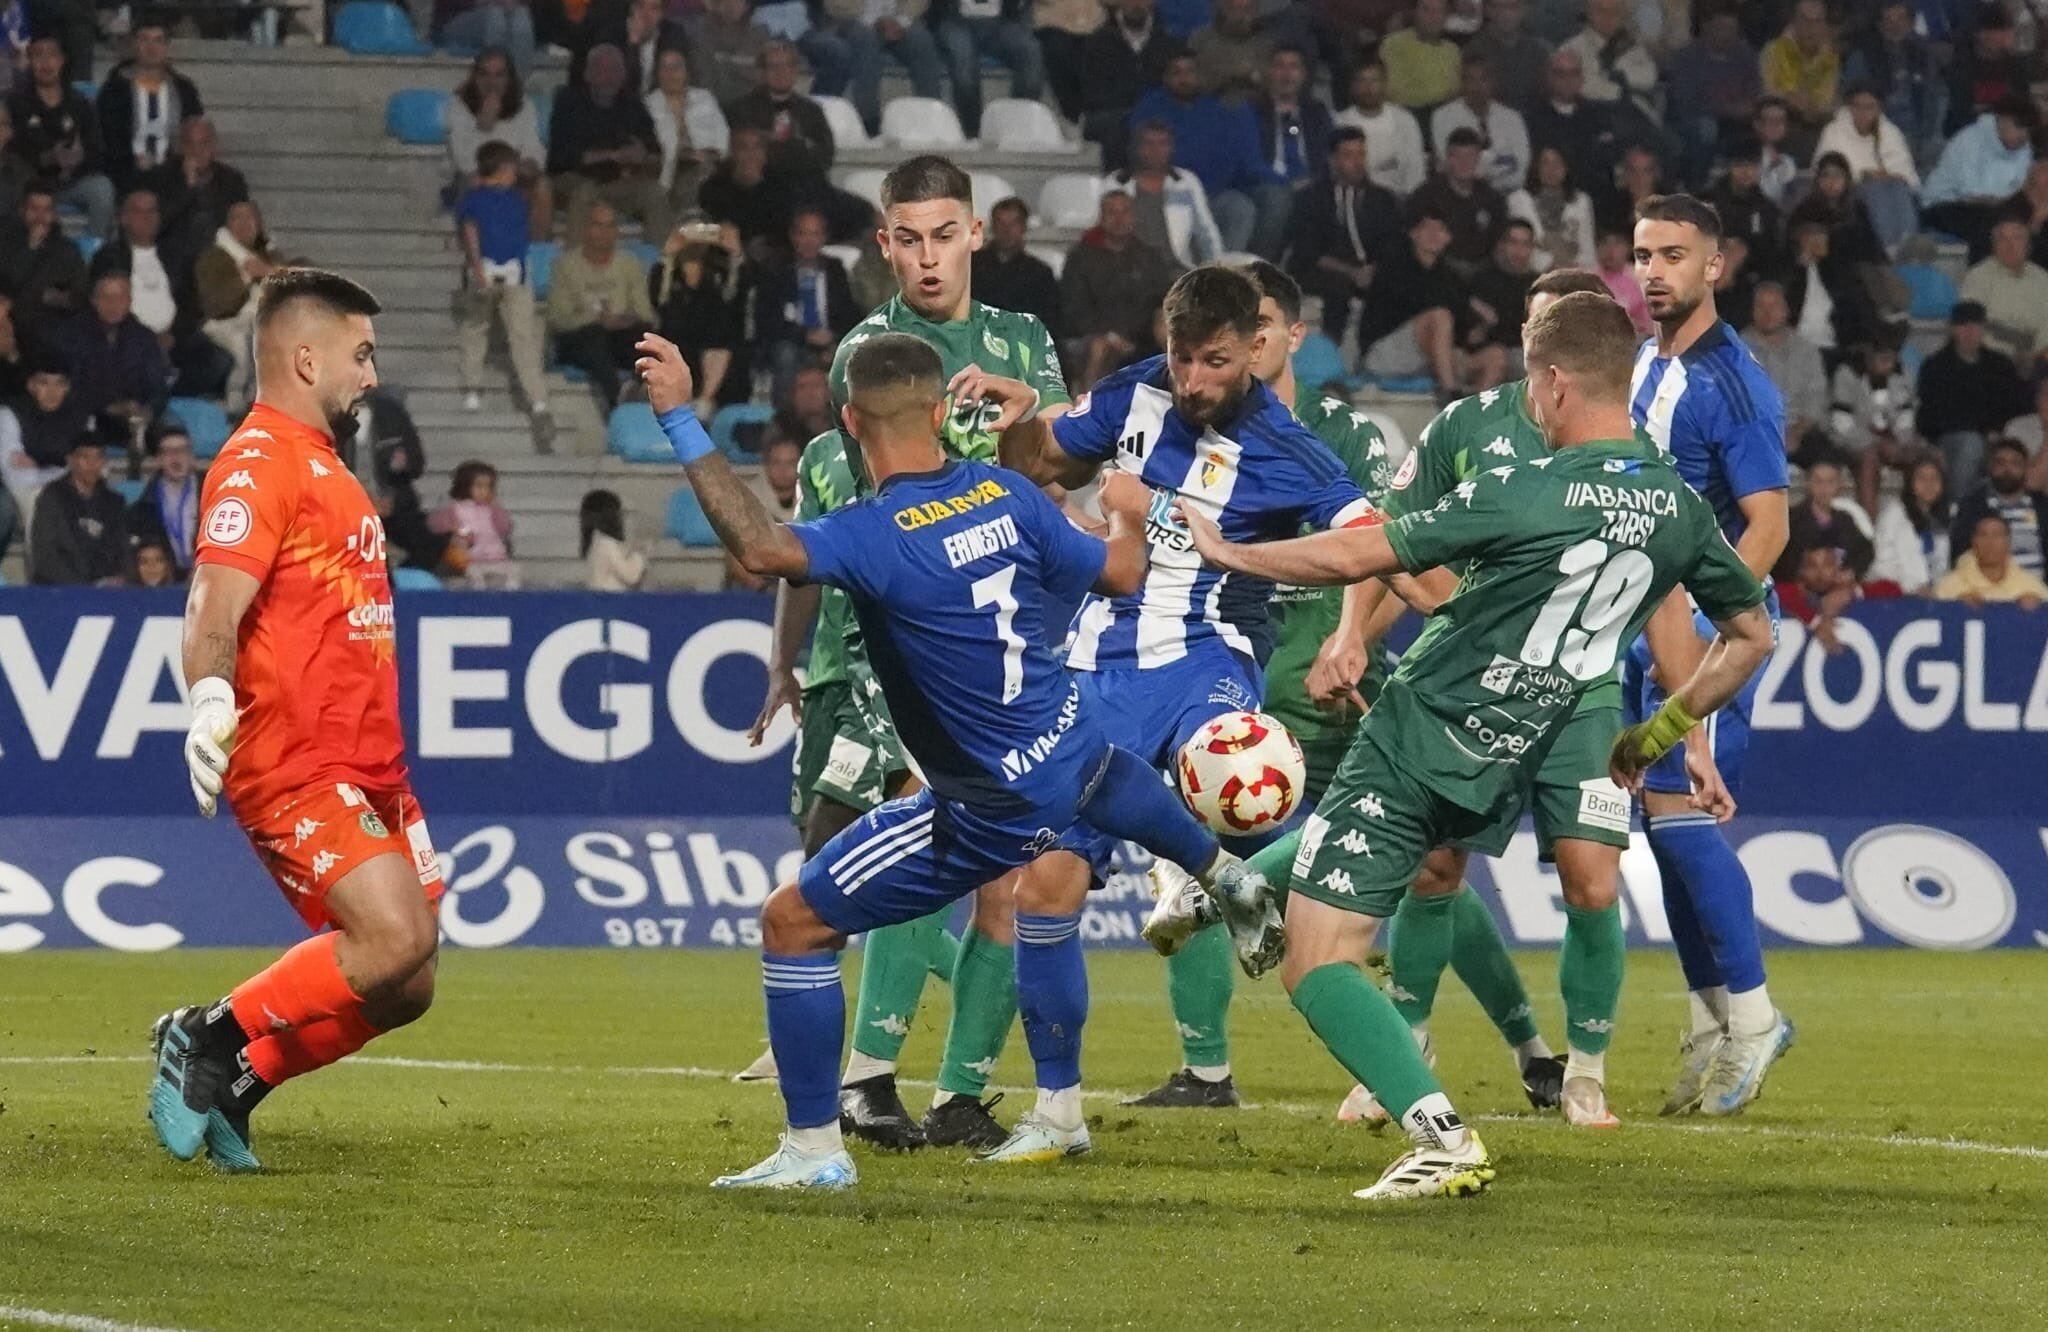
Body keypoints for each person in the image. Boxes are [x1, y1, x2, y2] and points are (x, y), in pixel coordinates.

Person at [1179, 289, 1774, 1193]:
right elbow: (1751, 637)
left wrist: (1232, 554)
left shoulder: (1525, 487)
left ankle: (1440, 1136)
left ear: (1557, 384)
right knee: (1388, 887)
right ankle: (1236, 887)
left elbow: (1361, 554)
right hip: (1513, 751)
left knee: (1317, 961)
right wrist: (1657, 732)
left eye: (1536, 385)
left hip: (1421, 735)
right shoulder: (1677, 507)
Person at [657, 330, 1268, 1190]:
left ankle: (812, 1151)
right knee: (1084, 802)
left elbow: (762, 551)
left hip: (986, 806)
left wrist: (680, 417)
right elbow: (1125, 573)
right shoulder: (1009, 495)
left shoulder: (871, 533)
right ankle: (1214, 876)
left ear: (847, 422)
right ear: (942, 412)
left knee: (792, 923)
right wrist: (1128, 505)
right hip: (1066, 743)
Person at [954, 264, 1389, 1157]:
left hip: (1206, 656)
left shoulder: (1288, 449)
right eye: (1181, 357)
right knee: (1046, 886)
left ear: (1256, 350)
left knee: (1241, 770)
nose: (1192, 380)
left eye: (1214, 361)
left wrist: (1352, 633)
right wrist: (1021, 413)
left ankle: (1252, 882)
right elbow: (1041, 463)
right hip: (1092, 666)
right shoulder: (1134, 392)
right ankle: (1061, 1113)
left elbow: (1372, 539)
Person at [1260, 268, 1650, 1131]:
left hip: (1581, 694)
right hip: (1473, 685)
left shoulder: (1629, 445)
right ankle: (1410, 1036)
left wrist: (1673, 729)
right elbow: (1392, 538)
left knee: (1590, 881)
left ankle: (1584, 1068)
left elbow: (1666, 580)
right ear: (1525, 332)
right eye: (1537, 328)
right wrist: (1352, 631)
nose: (1545, 353)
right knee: (1434, 867)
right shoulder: (1466, 426)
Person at [741, 157, 1077, 1149]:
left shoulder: (1022, 339)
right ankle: (867, 1073)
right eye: (907, 238)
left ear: (974, 233)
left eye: (943, 235)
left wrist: (1033, 411)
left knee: (1007, 874)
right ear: (883, 244)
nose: (926, 257)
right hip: (905, 636)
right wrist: (788, 659)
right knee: (920, 844)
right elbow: (891, 504)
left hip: (1005, 629)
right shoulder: (872, 350)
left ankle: (952, 1090)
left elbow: (1057, 466)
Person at [147, 270, 445, 1175]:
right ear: (304, 357)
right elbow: (211, 606)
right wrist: (207, 699)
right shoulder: (257, 459)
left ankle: (242, 1080)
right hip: (296, 760)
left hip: (372, 766)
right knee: (395, 939)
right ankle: (204, 1034)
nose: (370, 375)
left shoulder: (326, 465)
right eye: (360, 355)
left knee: (407, 986)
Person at [1626, 193, 1795, 1117]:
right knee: (1660, 826)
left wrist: (1713, 636)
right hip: (1648, 625)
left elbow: (1768, 527)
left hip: (1703, 632)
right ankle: (1711, 1021)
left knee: (1679, 807)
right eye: (1644, 253)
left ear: (1713, 268)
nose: (1655, 270)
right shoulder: (1650, 362)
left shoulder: (1732, 382)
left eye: (1674, 255)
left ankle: (1757, 1017)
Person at [454, 143, 553, 449]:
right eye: (511, 168)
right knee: (477, 328)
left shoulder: (515, 199)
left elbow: (527, 231)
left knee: (521, 335)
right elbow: (470, 234)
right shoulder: (475, 200)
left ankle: (536, 399)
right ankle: (474, 387)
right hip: (486, 269)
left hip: (513, 272)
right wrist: (477, 269)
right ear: (502, 169)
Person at [1127, 53, 1268, 253]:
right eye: (1177, 73)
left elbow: (1227, 156)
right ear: (1166, 78)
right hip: (1168, 191)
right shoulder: (1150, 107)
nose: (1184, 79)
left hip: (1213, 192)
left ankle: (1223, 274)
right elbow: (1147, 154)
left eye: (1190, 72)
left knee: (1240, 208)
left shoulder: (1215, 108)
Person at [1287, 126, 1400, 340]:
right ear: (1332, 159)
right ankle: (1332, 352)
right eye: (1348, 155)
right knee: (1338, 289)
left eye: (1361, 154)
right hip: (1326, 270)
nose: (1357, 163)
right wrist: (1351, 272)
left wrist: (1372, 269)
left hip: (1369, 268)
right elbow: (1308, 249)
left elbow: (1391, 242)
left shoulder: (1383, 199)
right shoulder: (1310, 198)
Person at [1061, 189, 1180, 390]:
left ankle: (1178, 393)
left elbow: (1159, 300)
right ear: (1101, 217)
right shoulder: (1080, 258)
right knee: (1099, 347)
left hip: (1141, 336)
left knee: (1166, 326)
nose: (1119, 218)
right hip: (1091, 336)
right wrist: (1110, 336)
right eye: (1111, 212)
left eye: (1124, 211)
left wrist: (1130, 335)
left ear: (1133, 216)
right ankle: (1087, 407)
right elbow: (1074, 307)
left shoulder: (1150, 258)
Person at [546, 201, 656, 413]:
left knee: (645, 336)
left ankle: (638, 389)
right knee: (594, 334)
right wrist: (597, 319)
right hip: (578, 339)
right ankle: (619, 399)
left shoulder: (630, 264)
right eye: (598, 225)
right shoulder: (565, 266)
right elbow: (558, 318)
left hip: (619, 337)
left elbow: (644, 312)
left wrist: (622, 319)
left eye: (610, 226)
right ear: (586, 229)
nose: (604, 232)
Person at [545, 44, 666, 235]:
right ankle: (575, 262)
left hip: (618, 184)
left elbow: (655, 155)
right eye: (602, 69)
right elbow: (559, 158)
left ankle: (661, 263)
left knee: (655, 193)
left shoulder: (633, 104)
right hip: (573, 180)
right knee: (585, 193)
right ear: (587, 74)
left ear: (624, 74)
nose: (609, 76)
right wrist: (612, 156)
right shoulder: (568, 101)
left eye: (616, 69)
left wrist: (643, 156)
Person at [1916, 301, 2028, 498]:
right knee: (1971, 444)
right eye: (1963, 325)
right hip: (1951, 441)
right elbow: (1930, 416)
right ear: (1952, 329)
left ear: (1983, 329)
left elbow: (2016, 405)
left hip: (1997, 438)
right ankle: (1959, 512)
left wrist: (1998, 431)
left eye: (1975, 326)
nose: (1969, 331)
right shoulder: (1935, 367)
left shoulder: (2000, 365)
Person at [1357, 207, 1467, 400]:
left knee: (1495, 357)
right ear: (1414, 233)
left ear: (1448, 238)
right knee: (1439, 316)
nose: (1434, 235)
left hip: (1428, 355)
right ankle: (1450, 396)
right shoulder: (1393, 267)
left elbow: (1462, 323)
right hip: (1385, 352)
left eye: (1440, 230)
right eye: (1427, 228)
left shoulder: (1450, 276)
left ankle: (1483, 419)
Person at [7, 37, 113, 237]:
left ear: (63, 60)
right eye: (38, 55)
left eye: (52, 55)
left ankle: (94, 253)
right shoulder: (14, 103)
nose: (46, 63)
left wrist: (77, 161)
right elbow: (10, 149)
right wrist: (47, 158)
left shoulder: (81, 103)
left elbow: (97, 149)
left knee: (101, 189)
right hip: (26, 185)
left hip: (71, 183)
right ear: (28, 60)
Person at [751, 208, 858, 395]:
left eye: (815, 234)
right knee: (786, 355)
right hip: (791, 341)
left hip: (830, 340)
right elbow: (767, 320)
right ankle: (786, 417)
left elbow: (848, 314)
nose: (809, 241)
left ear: (824, 237)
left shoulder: (835, 269)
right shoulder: (775, 270)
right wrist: (806, 336)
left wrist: (835, 342)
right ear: (793, 236)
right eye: (803, 234)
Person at [195, 200, 288, 416]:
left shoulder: (273, 257)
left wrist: (268, 274)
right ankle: (235, 409)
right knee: (243, 346)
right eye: (237, 218)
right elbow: (216, 304)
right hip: (224, 326)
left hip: (264, 324)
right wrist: (246, 277)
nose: (244, 224)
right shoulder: (212, 258)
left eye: (249, 217)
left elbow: (293, 294)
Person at [447, 48, 553, 236]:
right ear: (474, 77)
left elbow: (532, 148)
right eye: (484, 74)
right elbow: (463, 161)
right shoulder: (459, 106)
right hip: (476, 178)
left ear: (509, 79)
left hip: (514, 176)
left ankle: (535, 254)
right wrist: (483, 126)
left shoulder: (524, 106)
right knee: (475, 185)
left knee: (542, 186)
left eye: (499, 75)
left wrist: (528, 164)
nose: (491, 83)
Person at [803, 0, 945, 137]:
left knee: (922, 41)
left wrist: (902, 21)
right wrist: (872, 21)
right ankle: (869, 121)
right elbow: (833, 4)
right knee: (866, 40)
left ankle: (932, 116)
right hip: (853, 19)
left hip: (900, 20)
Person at [52, 272, 168, 438]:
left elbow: (158, 386)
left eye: (120, 297)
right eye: (106, 297)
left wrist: (146, 411)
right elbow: (68, 385)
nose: (113, 304)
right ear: (93, 300)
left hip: (134, 418)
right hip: (88, 415)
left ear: (129, 301)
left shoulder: (143, 337)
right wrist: (108, 407)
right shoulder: (71, 334)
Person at [651, 215, 747, 415]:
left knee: (725, 332)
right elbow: (658, 301)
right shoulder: (668, 271)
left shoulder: (720, 270)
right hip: (677, 337)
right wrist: (667, 257)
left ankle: (706, 398)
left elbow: (739, 301)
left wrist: (735, 255)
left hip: (716, 342)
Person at [1922, 96, 2037, 261]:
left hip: (1995, 208)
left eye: (2028, 130)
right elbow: (1971, 194)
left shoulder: (2024, 149)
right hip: (1943, 205)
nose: (2023, 135)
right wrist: (2007, 202)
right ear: (2002, 120)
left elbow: (2021, 189)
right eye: (2019, 127)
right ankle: (1982, 276)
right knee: (1991, 223)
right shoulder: (1970, 140)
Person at [94, 20, 202, 192]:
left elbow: (194, 129)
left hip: (175, 171)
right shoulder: (114, 88)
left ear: (167, 46)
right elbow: (106, 136)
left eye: (158, 40)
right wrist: (133, 159)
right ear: (133, 44)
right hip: (125, 171)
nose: (151, 47)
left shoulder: (184, 89)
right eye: (144, 40)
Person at [1101, 119, 1225, 267]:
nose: (1156, 150)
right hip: (1127, 272)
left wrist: (1215, 272)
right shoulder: (1115, 183)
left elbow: (1206, 234)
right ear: (1137, 147)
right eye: (1149, 143)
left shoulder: (1186, 183)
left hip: (1177, 272)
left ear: (1171, 148)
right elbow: (1099, 231)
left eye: (1162, 144)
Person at [1814, 84, 1920, 252]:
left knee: (1898, 189)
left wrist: (1886, 176)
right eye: (1857, 106)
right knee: (1875, 190)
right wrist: (1863, 175)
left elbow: (1906, 175)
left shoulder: (1891, 132)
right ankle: (1889, 249)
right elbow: (1826, 168)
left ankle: (1909, 246)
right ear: (1849, 107)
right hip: (1849, 190)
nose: (1863, 112)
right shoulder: (1833, 131)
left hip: (1889, 188)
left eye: (1870, 107)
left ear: (1879, 109)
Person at [1078, 0, 1185, 165]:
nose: (1136, 4)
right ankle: (1119, 184)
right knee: (1116, 127)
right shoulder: (1097, 42)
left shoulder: (1171, 43)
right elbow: (1091, 95)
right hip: (1111, 118)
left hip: (1158, 115)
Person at [1843, 0, 1945, 164]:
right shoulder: (1862, 57)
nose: (1895, 26)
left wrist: (1927, 135)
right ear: (1880, 25)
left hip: (1920, 134)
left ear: (1911, 22)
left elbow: (1934, 98)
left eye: (1901, 19)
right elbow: (1851, 99)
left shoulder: (1925, 54)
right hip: (1878, 133)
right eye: (1888, 21)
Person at [1741, 280, 1831, 466]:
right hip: (1752, 433)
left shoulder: (1806, 350)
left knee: (1826, 454)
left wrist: (1796, 432)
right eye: (1761, 306)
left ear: (1787, 310)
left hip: (1799, 431)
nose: (1768, 313)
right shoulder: (1735, 350)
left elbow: (1816, 397)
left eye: (1774, 306)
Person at [1831, 329, 1921, 514]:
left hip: (1892, 441)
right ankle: (1869, 527)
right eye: (1880, 355)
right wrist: (1876, 443)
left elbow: (1906, 417)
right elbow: (1841, 424)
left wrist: (1901, 443)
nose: (1886, 361)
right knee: (1869, 458)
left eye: (1890, 356)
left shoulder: (1903, 374)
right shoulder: (1847, 374)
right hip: (1853, 444)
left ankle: (1915, 518)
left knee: (1922, 456)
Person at [142, 116, 252, 260]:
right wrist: (189, 188)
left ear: (214, 145)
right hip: (173, 258)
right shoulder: (161, 177)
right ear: (181, 147)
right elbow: (155, 225)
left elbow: (241, 223)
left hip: (219, 258)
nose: (197, 151)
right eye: (191, 144)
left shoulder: (231, 180)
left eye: (204, 143)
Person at [724, 41, 834, 182]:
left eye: (788, 65)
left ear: (795, 71)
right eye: (773, 67)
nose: (781, 72)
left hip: (802, 185)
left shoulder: (812, 111)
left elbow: (825, 156)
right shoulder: (741, 108)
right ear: (761, 72)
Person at [932, 0, 1043, 140]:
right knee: (963, 60)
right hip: (956, 21)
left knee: (1030, 51)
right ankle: (972, 134)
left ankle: (1017, 128)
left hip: (1002, 21)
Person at [29, 433, 127, 584]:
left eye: (98, 457)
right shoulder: (52, 497)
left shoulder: (114, 502)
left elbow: (121, 550)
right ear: (70, 460)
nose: (92, 464)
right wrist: (82, 587)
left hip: (104, 592)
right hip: (59, 590)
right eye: (85, 457)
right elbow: (45, 556)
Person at [646, 46, 728, 223]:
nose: (671, 73)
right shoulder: (648, 106)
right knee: (690, 171)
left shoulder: (704, 99)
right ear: (657, 73)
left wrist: (706, 154)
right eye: (665, 67)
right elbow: (655, 149)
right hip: (669, 176)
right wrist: (686, 154)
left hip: (710, 167)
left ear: (686, 71)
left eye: (676, 66)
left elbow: (723, 139)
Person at [1409, 126, 1507, 273]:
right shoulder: (1425, 196)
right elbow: (1413, 239)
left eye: (1470, 156)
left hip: (1484, 272)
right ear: (1448, 158)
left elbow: (1500, 243)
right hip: (1439, 272)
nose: (1464, 162)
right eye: (1457, 156)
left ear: (1479, 158)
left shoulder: (1492, 198)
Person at [1430, 54, 1529, 196]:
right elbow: (1447, 165)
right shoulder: (1442, 117)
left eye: (1483, 79)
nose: (1477, 87)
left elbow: (1521, 166)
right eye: (1471, 80)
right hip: (1459, 194)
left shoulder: (1512, 118)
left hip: (1506, 193)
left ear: (1494, 82)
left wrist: (1494, 189)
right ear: (1462, 83)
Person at [0, 349, 82, 519]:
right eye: (44, 382)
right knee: (42, 503)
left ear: (67, 388)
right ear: (31, 385)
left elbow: (80, 465)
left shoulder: (78, 417)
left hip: (65, 488)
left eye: (59, 383)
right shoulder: (9, 414)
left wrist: (37, 462)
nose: (52, 391)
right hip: (20, 493)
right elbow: (16, 473)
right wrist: (57, 463)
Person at [1951, 437, 2048, 578]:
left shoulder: (2043, 506)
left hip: (2040, 594)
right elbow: (1961, 557)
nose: (2007, 469)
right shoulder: (1971, 507)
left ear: (2026, 468)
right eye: (2000, 463)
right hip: (1988, 594)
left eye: (2015, 463)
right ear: (1990, 467)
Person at [1960, 216, 2048, 368]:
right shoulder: (1977, 277)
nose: (2010, 245)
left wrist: (2034, 354)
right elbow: (1972, 324)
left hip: (2039, 362)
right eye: (2003, 239)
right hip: (1991, 362)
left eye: (2017, 238)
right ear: (1994, 246)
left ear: (2028, 246)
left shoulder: (2042, 278)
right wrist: (2016, 347)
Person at [1333, 61, 1427, 199]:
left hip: (1400, 198)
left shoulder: (1404, 119)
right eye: (1362, 81)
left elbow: (1416, 169)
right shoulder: (1340, 122)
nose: (1368, 88)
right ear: (1352, 86)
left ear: (1385, 84)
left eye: (1374, 81)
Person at [1775, 456, 1873, 586]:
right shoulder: (1791, 519)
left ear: (1840, 484)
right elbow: (1782, 562)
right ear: (1807, 483)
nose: (1824, 488)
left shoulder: (1845, 520)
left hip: (1837, 587)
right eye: (1818, 481)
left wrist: (1850, 572)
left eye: (1830, 482)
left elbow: (1865, 551)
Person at [971, 196, 1061, 338]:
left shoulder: (1040, 273)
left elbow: (1049, 321)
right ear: (992, 227)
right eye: (1000, 223)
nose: (1006, 230)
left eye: (1013, 223)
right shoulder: (971, 266)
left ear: (1024, 227)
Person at [1758, 0, 1838, 144]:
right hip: (1779, 125)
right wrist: (1789, 99)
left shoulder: (1830, 57)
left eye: (1817, 21)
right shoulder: (1773, 51)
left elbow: (1828, 101)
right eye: (1805, 20)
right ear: (1794, 20)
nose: (1811, 27)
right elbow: (1767, 93)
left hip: (1817, 125)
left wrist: (1811, 108)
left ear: (1825, 25)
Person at [431, 459, 519, 588]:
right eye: (479, 486)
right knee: (474, 577)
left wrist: (497, 509)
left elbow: (505, 527)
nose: (484, 491)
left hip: (495, 555)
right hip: (469, 557)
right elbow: (438, 525)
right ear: (465, 486)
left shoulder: (491, 509)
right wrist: (459, 532)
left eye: (489, 487)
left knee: (513, 572)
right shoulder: (455, 508)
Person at [1507, 143, 1593, 271]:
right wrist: (1550, 266)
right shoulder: (1519, 200)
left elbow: (1587, 246)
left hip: (1576, 274)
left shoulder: (1581, 201)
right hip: (1533, 274)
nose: (1551, 169)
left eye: (1557, 163)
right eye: (1545, 163)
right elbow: (1520, 245)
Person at [126, 424, 200, 573]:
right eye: (168, 452)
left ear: (192, 456)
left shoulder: (214, 496)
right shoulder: (142, 509)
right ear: (158, 459)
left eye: (182, 450)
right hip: (165, 585)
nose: (176, 458)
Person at [1935, 513, 2048, 607]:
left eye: (1997, 535)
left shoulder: (2032, 586)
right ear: (1973, 542)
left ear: (2008, 542)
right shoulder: (1949, 586)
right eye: (1983, 535)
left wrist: (2038, 610)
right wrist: (1956, 608)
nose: (1990, 542)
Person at [686, 0, 771, 109]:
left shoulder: (759, 34)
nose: (731, 5)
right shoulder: (698, 34)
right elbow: (701, 75)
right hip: (709, 105)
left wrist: (727, 62)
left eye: (737, 1)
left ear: (747, 5)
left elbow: (761, 75)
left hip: (749, 106)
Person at [1379, 0, 1459, 111]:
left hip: (1443, 115)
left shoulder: (1453, 51)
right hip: (1402, 114)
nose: (1433, 16)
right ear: (1415, 13)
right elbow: (1394, 92)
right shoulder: (1393, 44)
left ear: (1446, 17)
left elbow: (1455, 92)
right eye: (1426, 9)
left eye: (1439, 11)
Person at [434, 0, 538, 77]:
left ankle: (519, 83)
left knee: (522, 15)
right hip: (453, 23)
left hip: (498, 14)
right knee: (495, 16)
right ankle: (495, 80)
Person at [581, 487, 647, 590]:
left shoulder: (594, 542)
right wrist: (639, 552)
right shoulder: (606, 543)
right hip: (610, 602)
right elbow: (632, 576)